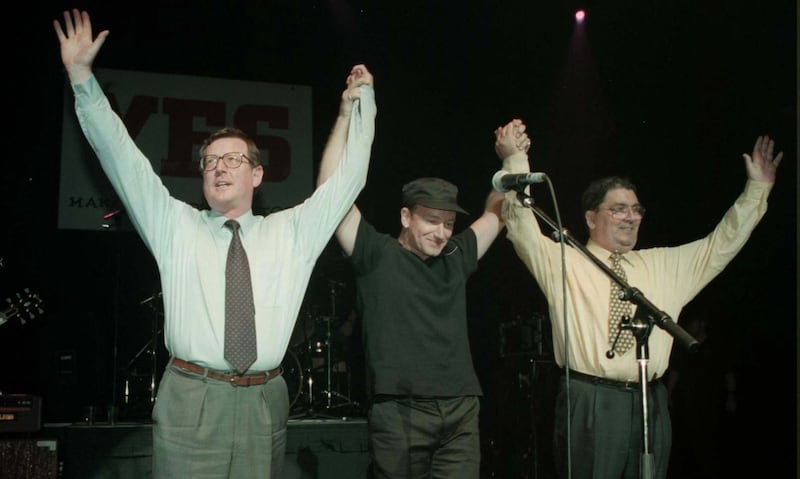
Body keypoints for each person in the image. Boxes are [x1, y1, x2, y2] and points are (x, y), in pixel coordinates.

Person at [53, 9, 376, 478]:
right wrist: (82, 78)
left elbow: (350, 179)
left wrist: (359, 107)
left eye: (232, 159)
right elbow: (121, 156)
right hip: (192, 399)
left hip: (265, 400)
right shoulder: (174, 224)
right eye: (209, 161)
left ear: (257, 174)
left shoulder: (292, 231)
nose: (219, 167)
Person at [500, 134, 783, 479]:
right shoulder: (565, 260)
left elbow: (721, 243)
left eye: (636, 210)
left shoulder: (662, 265)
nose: (631, 217)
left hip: (652, 400)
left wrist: (757, 189)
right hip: (592, 401)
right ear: (591, 218)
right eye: (619, 209)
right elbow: (522, 227)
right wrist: (515, 160)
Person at [316, 117, 531, 477]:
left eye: (448, 223)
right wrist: (343, 116)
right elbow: (330, 192)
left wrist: (512, 157)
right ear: (405, 216)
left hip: (461, 409)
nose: (441, 232)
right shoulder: (376, 253)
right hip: (400, 409)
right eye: (431, 220)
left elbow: (497, 212)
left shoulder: (456, 255)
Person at [665, 309, 738, 479]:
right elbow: (676, 371)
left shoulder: (716, 346)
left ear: (701, 324)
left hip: (712, 403)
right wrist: (669, 394)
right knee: (687, 445)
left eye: (692, 323)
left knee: (711, 445)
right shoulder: (685, 345)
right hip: (688, 404)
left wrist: (731, 395)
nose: (689, 327)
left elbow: (729, 372)